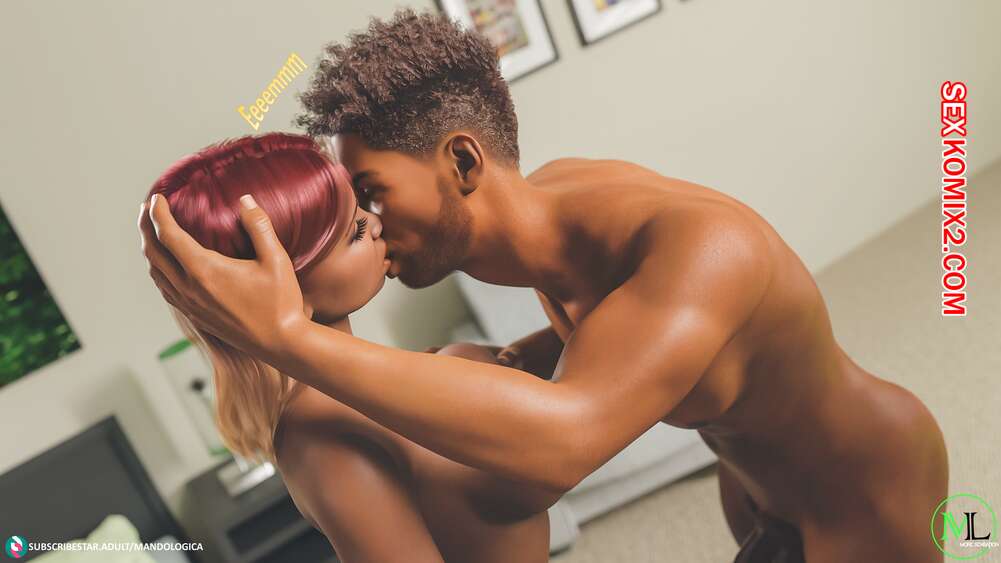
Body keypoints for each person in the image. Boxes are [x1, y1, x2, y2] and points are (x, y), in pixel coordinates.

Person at [139, 9, 950, 562]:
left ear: (461, 162)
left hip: (862, 487)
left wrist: (285, 336)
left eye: (373, 194)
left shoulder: (701, 251)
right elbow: (613, 341)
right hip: (748, 481)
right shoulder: (552, 224)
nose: (370, 221)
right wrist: (501, 359)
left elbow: (565, 437)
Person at [141, 133, 550, 563]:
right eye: (355, 231)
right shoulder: (322, 443)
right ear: (282, 289)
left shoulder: (377, 385)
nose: (377, 223)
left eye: (362, 208)